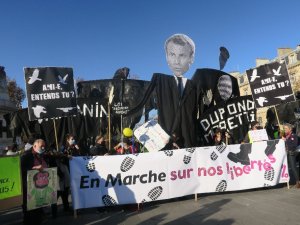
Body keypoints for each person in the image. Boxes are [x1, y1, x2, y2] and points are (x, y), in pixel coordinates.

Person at [127, 34, 199, 148]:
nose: (176, 61)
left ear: (191, 58)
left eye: (182, 55)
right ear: (167, 57)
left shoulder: (193, 86)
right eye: (172, 54)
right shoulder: (162, 82)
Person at [21, 139, 47, 225]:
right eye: (41, 146)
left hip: (39, 188)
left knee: (38, 214)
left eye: (44, 146)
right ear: (34, 146)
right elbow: (21, 169)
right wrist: (34, 168)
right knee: (29, 215)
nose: (43, 148)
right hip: (29, 189)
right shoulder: (27, 155)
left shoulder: (42, 155)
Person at [282, 123, 300, 188]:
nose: (285, 130)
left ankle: (298, 181)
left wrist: (285, 141)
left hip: (291, 153)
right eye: (284, 128)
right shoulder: (284, 135)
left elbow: (293, 146)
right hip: (284, 154)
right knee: (284, 167)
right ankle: (285, 181)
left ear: (290, 129)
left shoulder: (294, 136)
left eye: (286, 128)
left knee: (293, 167)